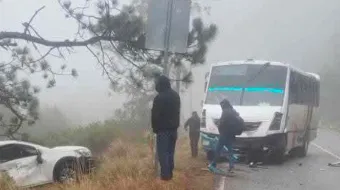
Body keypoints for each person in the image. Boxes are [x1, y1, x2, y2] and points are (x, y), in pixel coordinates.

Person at [151, 75, 181, 181]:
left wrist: (155, 129)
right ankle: (170, 174)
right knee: (170, 153)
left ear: (160, 84)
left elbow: (155, 115)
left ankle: (165, 177)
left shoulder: (159, 98)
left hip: (163, 130)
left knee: (162, 154)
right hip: (174, 130)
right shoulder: (176, 96)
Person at [208, 99, 240, 173]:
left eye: (222, 105)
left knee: (218, 150)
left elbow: (222, 123)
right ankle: (231, 165)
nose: (221, 107)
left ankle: (213, 164)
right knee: (230, 150)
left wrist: (220, 129)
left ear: (224, 105)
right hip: (231, 134)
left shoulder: (225, 112)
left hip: (224, 134)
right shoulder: (233, 111)